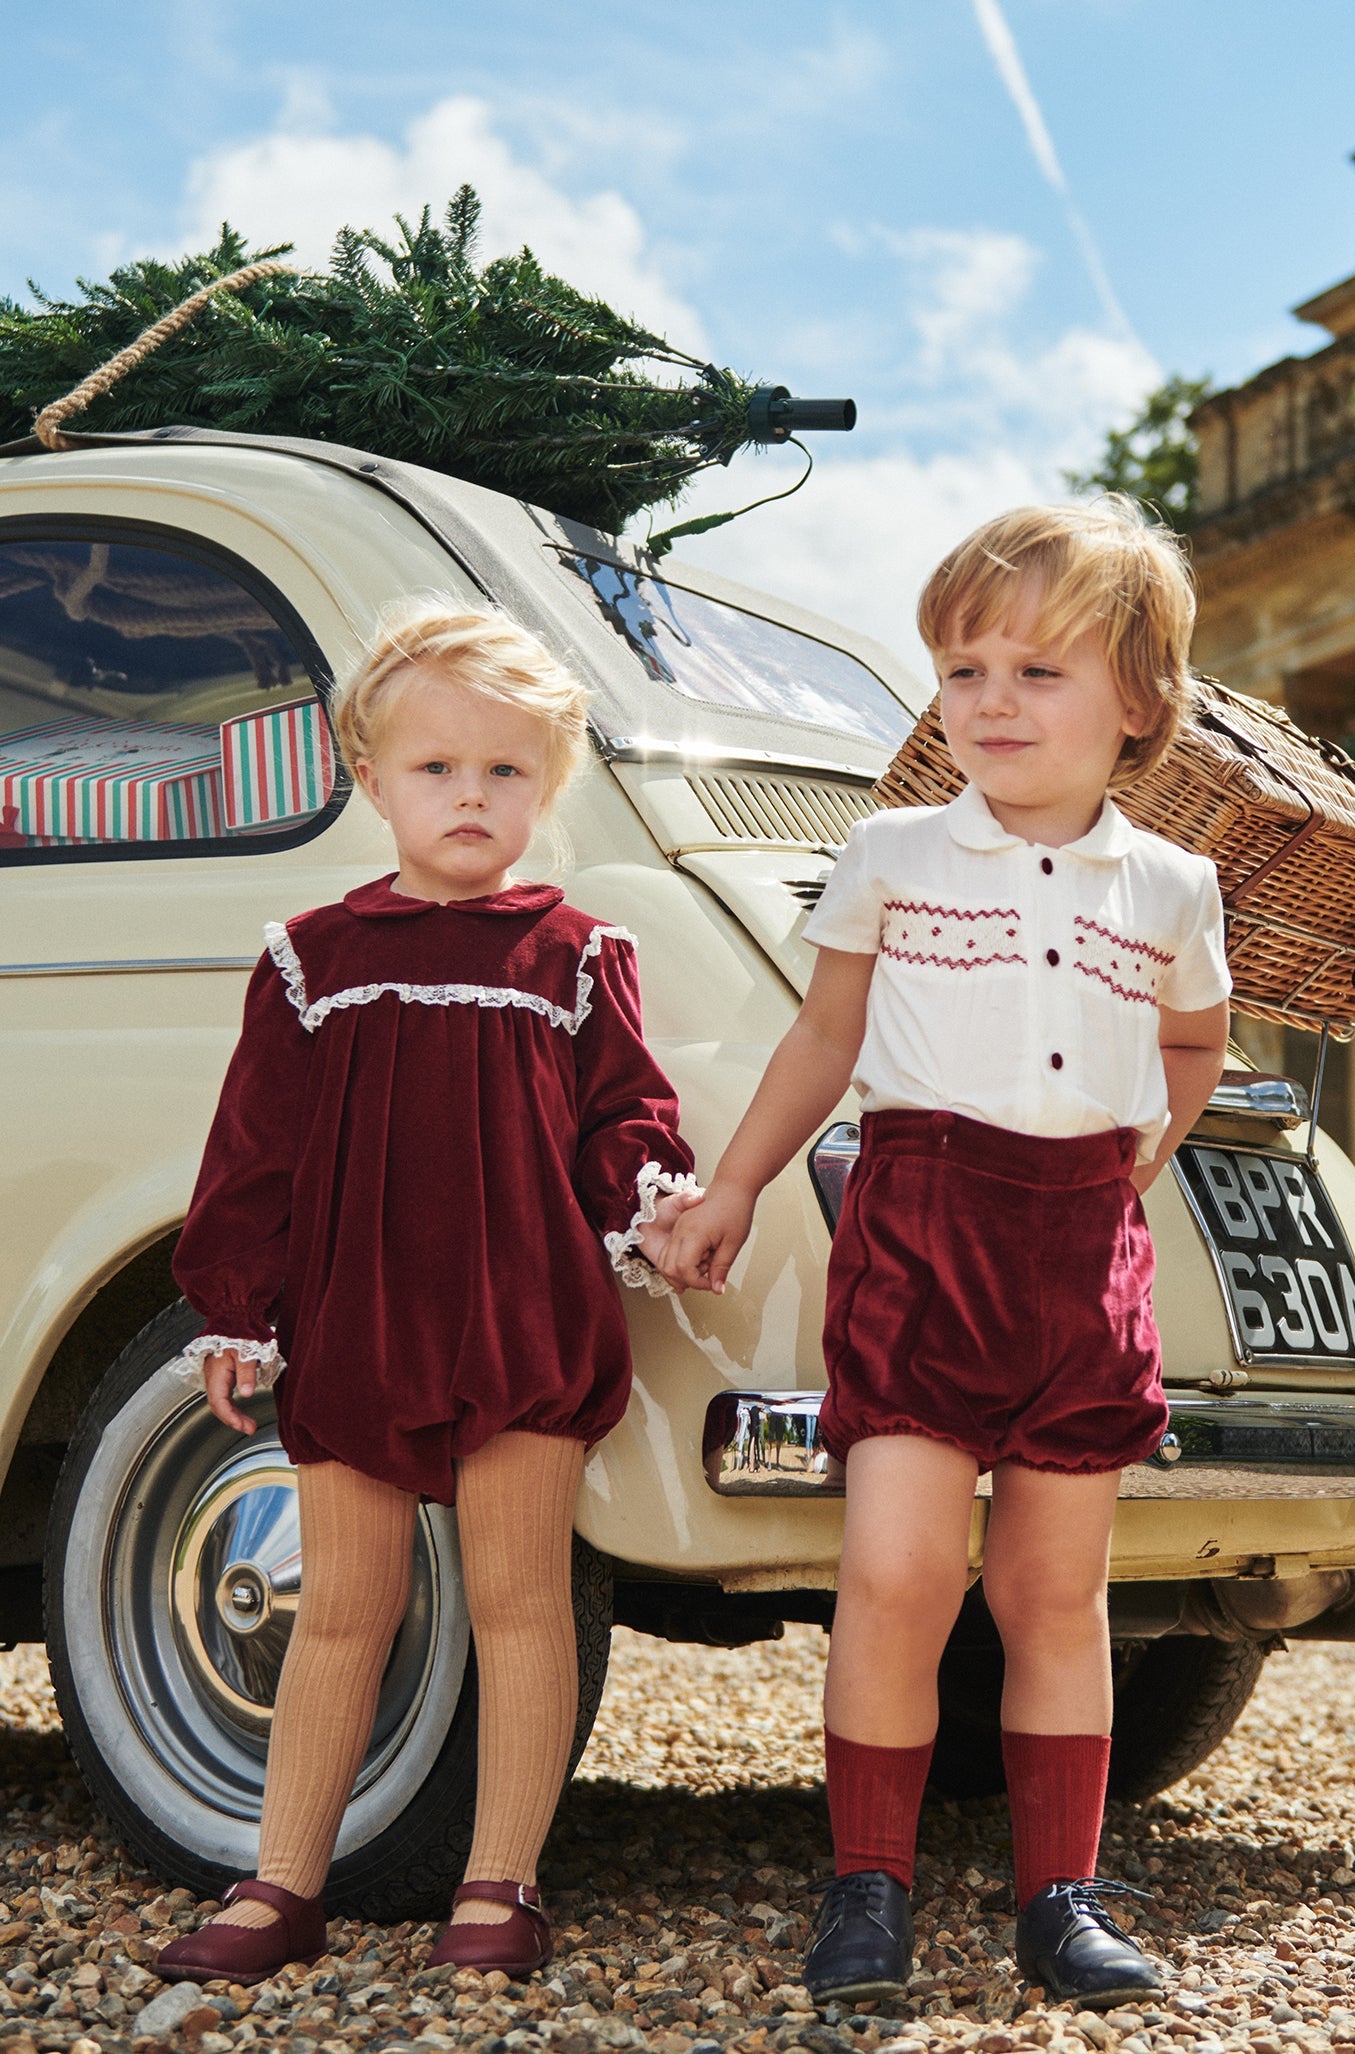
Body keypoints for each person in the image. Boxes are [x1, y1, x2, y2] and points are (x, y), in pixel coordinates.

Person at [660, 499, 1231, 2011]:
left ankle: (1062, 1896)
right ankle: (870, 1887)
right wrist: (730, 1188)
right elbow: (826, 1035)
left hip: (1081, 1251)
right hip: (921, 1234)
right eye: (965, 666)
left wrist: (1148, 1147)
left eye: (1037, 672)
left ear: (1138, 705)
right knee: (899, 1570)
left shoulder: (1173, 885)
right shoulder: (893, 851)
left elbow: (1193, 1034)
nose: (990, 699)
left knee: (1054, 1592)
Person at [156, 602, 698, 1986]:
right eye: (438, 768)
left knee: (521, 1597)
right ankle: (283, 1881)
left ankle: (499, 1878)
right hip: (361, 1323)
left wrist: (659, 1199)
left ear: (549, 785)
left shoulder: (576, 954)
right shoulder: (309, 959)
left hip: (525, 1320)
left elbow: (625, 1118)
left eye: (506, 772)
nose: (471, 795)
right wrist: (238, 1302)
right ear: (372, 777)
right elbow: (255, 1152)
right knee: (344, 1605)